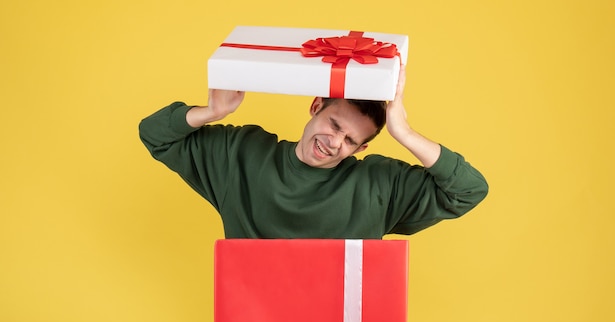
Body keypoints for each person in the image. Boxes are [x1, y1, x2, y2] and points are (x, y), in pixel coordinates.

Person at [139, 66, 488, 239]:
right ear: (316, 105)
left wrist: (404, 132)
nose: (336, 143)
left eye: (351, 140)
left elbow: (469, 190)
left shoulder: (381, 183)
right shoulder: (241, 154)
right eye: (335, 125)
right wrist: (212, 113)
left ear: (362, 148)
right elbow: (155, 134)